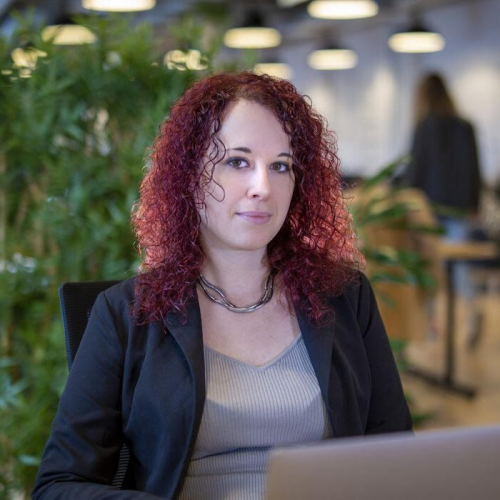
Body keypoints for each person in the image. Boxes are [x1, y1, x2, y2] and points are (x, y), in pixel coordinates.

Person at [33, 72, 412, 500]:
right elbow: (57, 487)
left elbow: (396, 456)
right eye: (237, 162)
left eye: (281, 166)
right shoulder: (126, 313)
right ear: (189, 175)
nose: (262, 188)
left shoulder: (344, 296)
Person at [404, 72, 483, 341]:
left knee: (428, 267)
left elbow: (415, 170)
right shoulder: (466, 127)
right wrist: (474, 204)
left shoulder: (424, 127)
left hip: (429, 209)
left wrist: (405, 200)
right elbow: (475, 169)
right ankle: (471, 314)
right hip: (460, 208)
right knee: (459, 267)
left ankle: (432, 324)